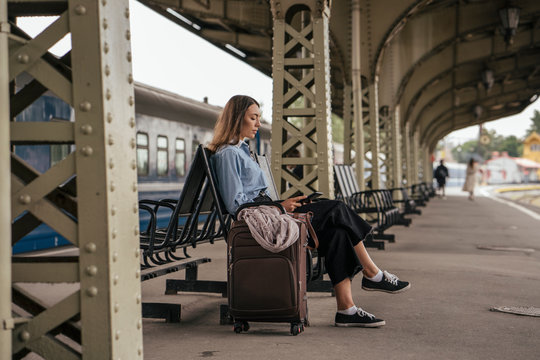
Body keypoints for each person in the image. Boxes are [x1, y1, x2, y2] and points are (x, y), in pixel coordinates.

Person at [209, 95, 410, 328]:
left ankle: (347, 310)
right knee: (337, 208)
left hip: (272, 211)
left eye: (258, 118)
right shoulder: (228, 154)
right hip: (264, 218)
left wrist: (282, 204)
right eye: (253, 118)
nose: (257, 124)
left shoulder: (241, 150)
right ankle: (372, 273)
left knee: (337, 233)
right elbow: (236, 205)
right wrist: (279, 206)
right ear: (236, 119)